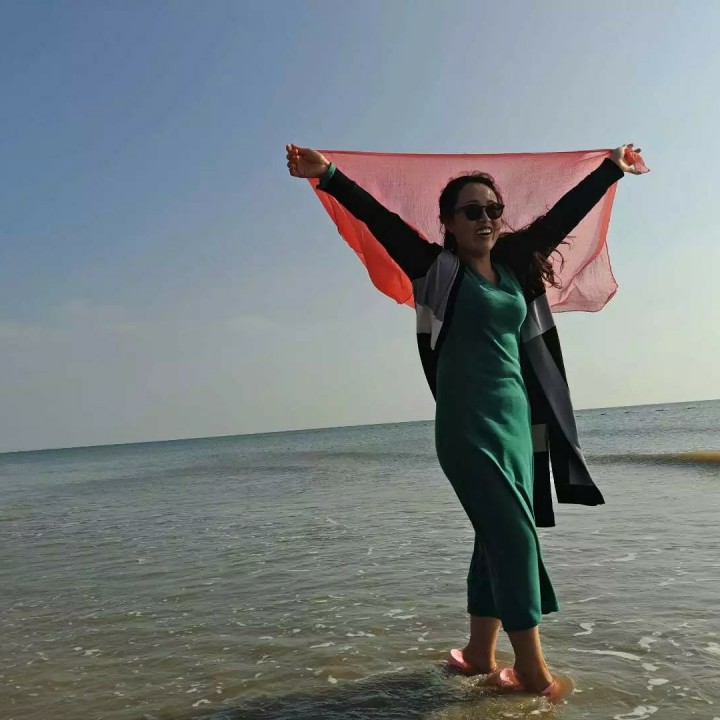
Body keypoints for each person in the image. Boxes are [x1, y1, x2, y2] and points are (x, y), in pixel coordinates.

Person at [286, 142, 645, 699]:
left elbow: (561, 218)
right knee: (514, 537)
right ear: (449, 223)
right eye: (472, 211)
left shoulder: (512, 268)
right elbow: (382, 222)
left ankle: (479, 652)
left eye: (493, 210)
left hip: (517, 425)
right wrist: (329, 174)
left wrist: (611, 170)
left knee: (494, 536)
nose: (486, 219)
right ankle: (533, 671)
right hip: (467, 428)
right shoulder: (439, 271)